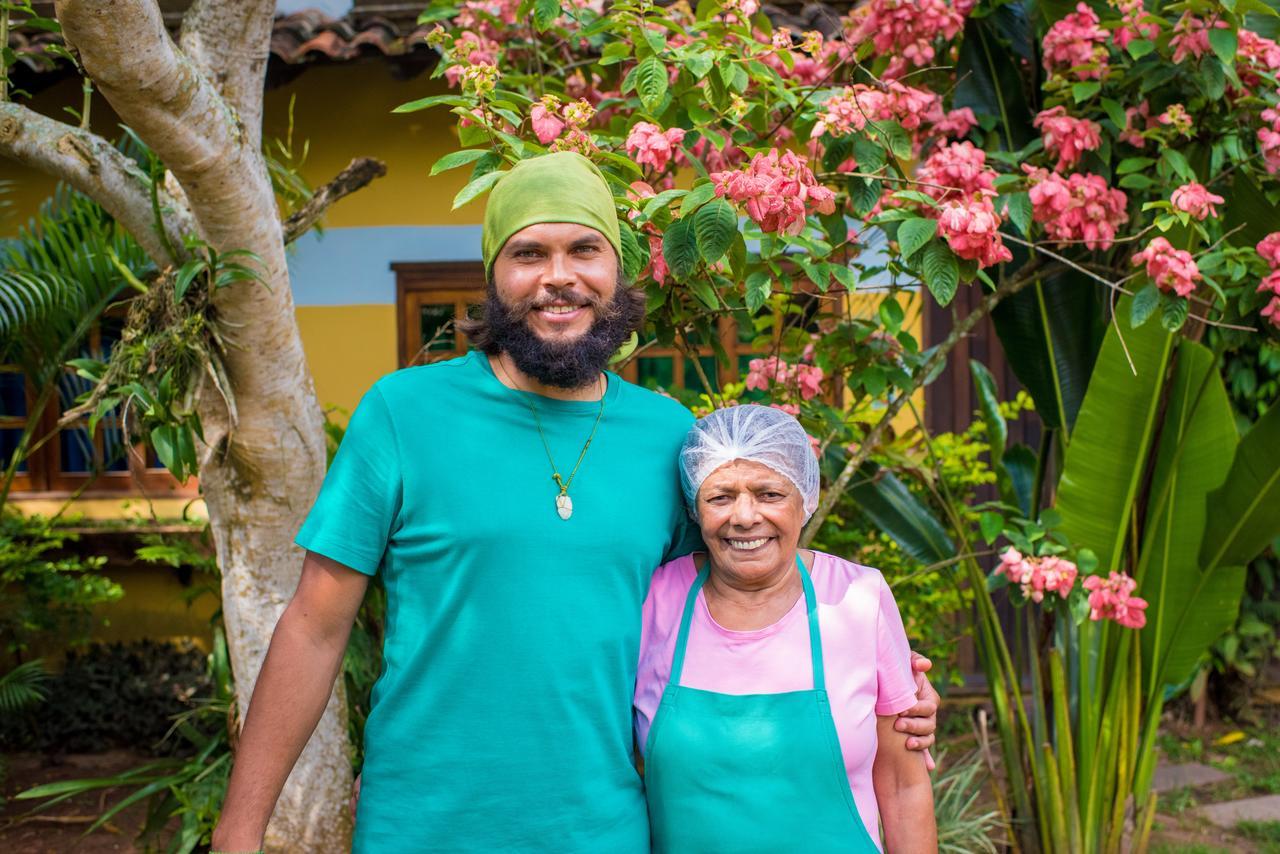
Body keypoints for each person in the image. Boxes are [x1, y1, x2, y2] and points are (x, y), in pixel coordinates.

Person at [211, 152, 938, 853]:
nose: (559, 278)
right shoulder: (403, 413)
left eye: (584, 249)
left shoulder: (667, 437)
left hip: (605, 830)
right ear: (494, 275)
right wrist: (238, 834)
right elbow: (313, 629)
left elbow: (729, 603)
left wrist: (877, 683)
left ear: (617, 269)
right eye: (529, 254)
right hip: (422, 826)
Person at [636, 404, 937, 853]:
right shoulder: (656, 599)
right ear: (695, 509)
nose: (744, 516)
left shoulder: (859, 598)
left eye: (769, 494)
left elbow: (901, 783)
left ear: (805, 499)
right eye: (720, 497)